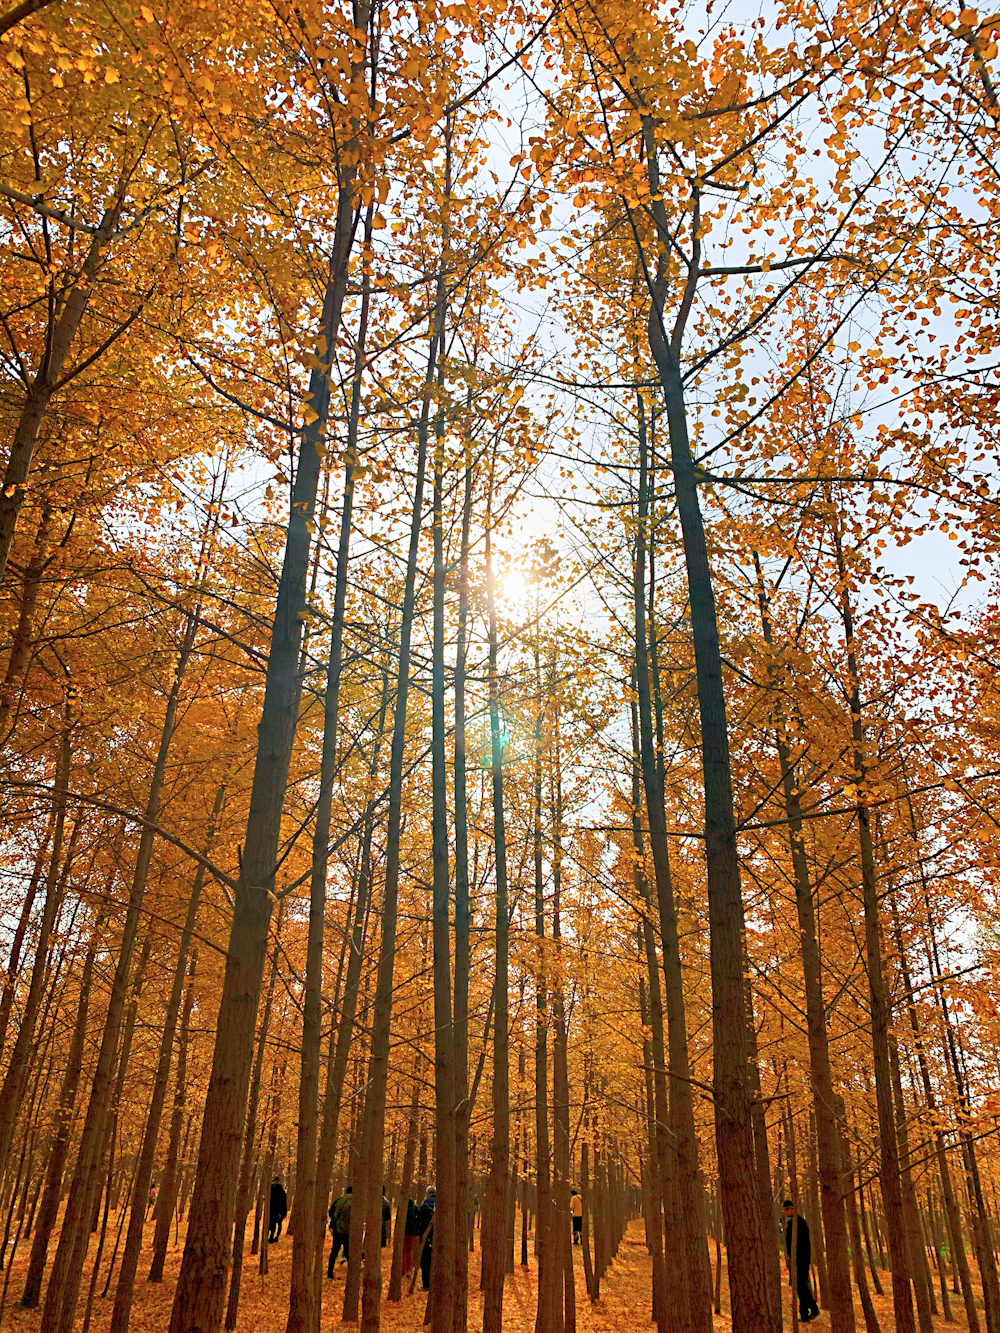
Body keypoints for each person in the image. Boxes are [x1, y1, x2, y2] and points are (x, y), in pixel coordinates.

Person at [783, 1199, 819, 1323]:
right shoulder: (794, 1223)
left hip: (800, 1260)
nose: (785, 1212)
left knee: (801, 1286)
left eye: (786, 1209)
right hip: (797, 1259)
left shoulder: (799, 1223)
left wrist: (795, 1258)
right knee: (800, 1287)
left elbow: (800, 1244)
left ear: (791, 1209)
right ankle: (804, 1314)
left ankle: (814, 1308)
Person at [328, 1185, 352, 1277]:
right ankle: (351, 1275)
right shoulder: (353, 1203)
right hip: (347, 1231)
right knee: (349, 1252)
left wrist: (336, 1220)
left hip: (337, 1230)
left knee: (334, 1252)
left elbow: (330, 1212)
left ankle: (329, 1273)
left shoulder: (338, 1200)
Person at [416, 1185, 436, 1291]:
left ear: (428, 1193)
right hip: (437, 1236)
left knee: (425, 1260)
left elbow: (419, 1217)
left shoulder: (425, 1204)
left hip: (426, 1236)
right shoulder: (440, 1202)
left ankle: (426, 1284)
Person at [268, 1175, 288, 1243]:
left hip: (274, 1210)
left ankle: (272, 1237)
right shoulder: (282, 1191)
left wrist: (280, 1212)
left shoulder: (274, 1190)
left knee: (273, 1224)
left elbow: (282, 1202)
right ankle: (275, 1237)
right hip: (278, 1210)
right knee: (278, 1224)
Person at [402, 1197, 419, 1276]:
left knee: (403, 1252)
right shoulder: (415, 1209)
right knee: (409, 1252)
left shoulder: (402, 1209)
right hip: (412, 1233)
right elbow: (418, 1220)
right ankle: (409, 1270)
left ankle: (404, 1270)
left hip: (404, 1233)